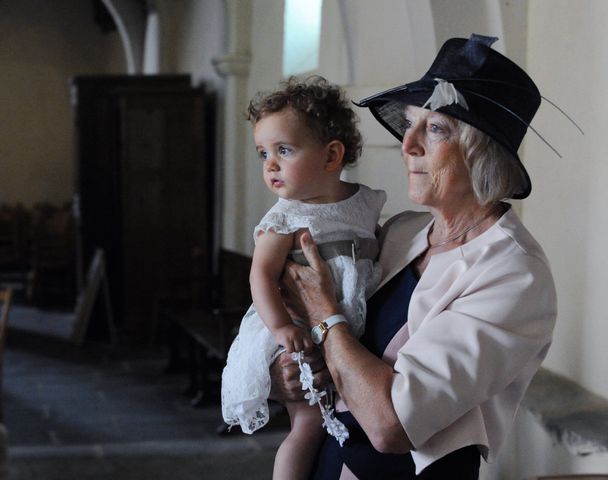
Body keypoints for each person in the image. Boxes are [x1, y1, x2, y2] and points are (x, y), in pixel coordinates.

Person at [271, 34, 557, 478]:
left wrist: (323, 314)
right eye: (410, 124)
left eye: (436, 128)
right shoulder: (403, 231)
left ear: (482, 152)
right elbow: (326, 342)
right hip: (326, 459)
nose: (408, 145)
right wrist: (283, 376)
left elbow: (392, 425)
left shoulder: (514, 273)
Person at [221, 76, 387, 480]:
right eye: (263, 153)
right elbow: (260, 274)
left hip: (345, 328)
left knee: (350, 414)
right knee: (308, 426)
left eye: (284, 150)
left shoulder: (363, 203)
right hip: (295, 330)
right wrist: (280, 327)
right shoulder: (285, 217)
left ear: (332, 156)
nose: (270, 164)